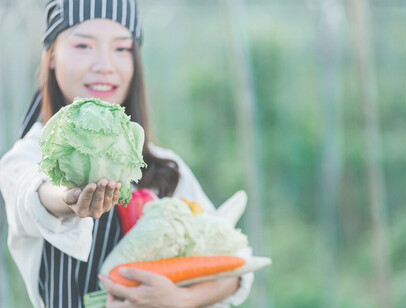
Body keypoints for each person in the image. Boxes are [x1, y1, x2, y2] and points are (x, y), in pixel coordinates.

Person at [0, 1, 254, 307]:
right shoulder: (27, 155)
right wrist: (69, 196)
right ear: (52, 56)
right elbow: (33, 193)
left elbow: (236, 264)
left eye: (122, 49)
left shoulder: (166, 169)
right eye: (83, 45)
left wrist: (181, 299)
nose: (105, 64)